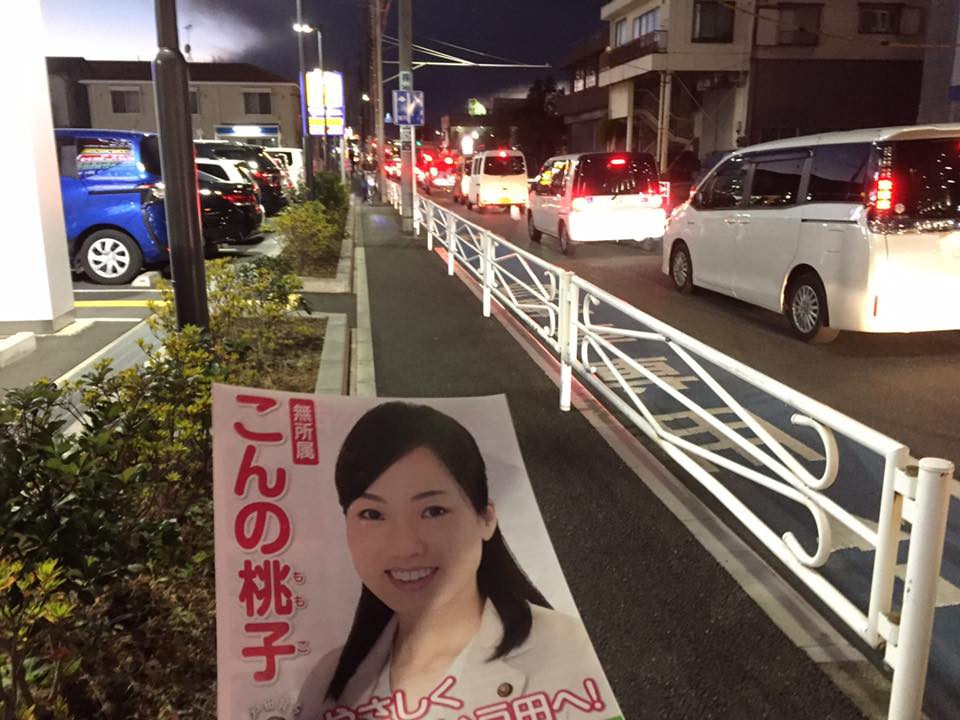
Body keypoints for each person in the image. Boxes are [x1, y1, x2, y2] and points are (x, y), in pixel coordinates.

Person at [296, 402, 617, 720]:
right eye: (372, 514)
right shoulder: (327, 682)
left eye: (433, 511)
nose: (405, 547)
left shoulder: (574, 652)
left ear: (486, 518)